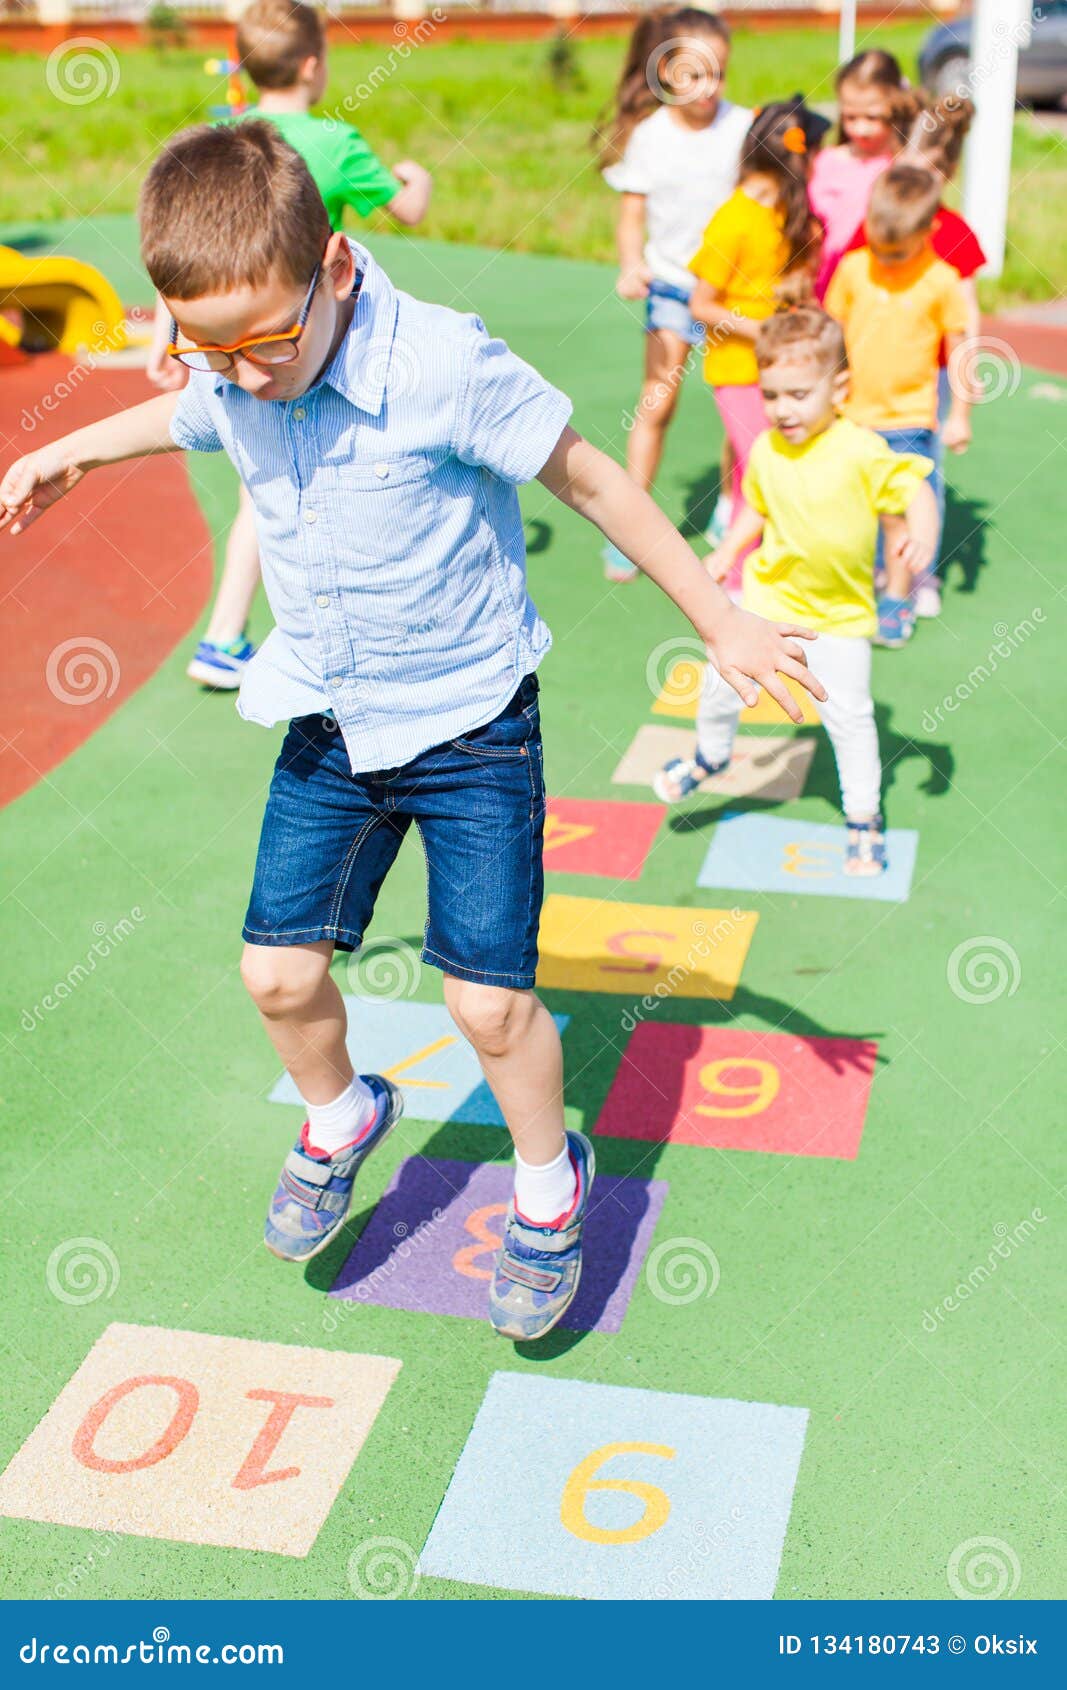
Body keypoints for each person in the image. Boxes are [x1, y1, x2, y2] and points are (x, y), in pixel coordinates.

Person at [1, 122, 825, 1342]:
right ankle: (341, 1116)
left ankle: (549, 1189)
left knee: (487, 1007)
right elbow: (180, 419)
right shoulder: (236, 368)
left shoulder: (443, 366)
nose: (240, 373)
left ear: (333, 267)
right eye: (205, 347)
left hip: (470, 724)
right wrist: (66, 449)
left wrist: (716, 616)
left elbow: (589, 478)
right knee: (275, 974)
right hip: (334, 718)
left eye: (262, 341)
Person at [147, 0, 431, 689]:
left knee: (270, 486)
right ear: (313, 64)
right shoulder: (335, 144)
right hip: (296, 346)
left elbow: (190, 251)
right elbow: (411, 210)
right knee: (277, 490)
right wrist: (414, 172)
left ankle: (249, 633)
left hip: (225, 344)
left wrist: (169, 336)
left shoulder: (221, 138)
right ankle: (227, 637)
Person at [654, 307, 937, 875]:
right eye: (773, 395)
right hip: (767, 603)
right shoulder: (765, 450)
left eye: (799, 395)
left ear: (841, 388)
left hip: (838, 616)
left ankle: (863, 819)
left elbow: (914, 488)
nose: (783, 409)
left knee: (850, 718)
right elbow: (755, 507)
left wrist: (924, 534)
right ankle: (710, 756)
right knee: (718, 684)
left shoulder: (860, 449)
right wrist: (730, 550)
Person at [596, 6, 750, 579]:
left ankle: (733, 511)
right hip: (670, 287)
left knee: (737, 404)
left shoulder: (743, 127)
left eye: (719, 74)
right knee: (659, 400)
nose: (709, 88)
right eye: (696, 75)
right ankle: (632, 527)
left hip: (733, 291)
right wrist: (631, 263)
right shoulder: (651, 137)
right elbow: (631, 213)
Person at [844, 93, 984, 619]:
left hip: (928, 376)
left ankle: (917, 572)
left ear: (942, 176)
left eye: (922, 173)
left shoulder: (951, 237)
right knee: (865, 479)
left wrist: (964, 408)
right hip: (867, 378)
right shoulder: (880, 226)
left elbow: (966, 323)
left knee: (921, 478)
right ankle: (876, 565)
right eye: (903, 168)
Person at [687, 97, 829, 597]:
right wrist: (762, 328)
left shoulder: (791, 213)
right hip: (739, 368)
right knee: (759, 470)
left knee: (783, 465)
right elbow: (702, 304)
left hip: (783, 366)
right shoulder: (735, 218)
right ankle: (737, 578)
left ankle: (770, 569)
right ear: (796, 158)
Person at [826, 163, 971, 646]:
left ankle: (898, 598)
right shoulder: (853, 268)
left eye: (898, 251)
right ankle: (858, 587)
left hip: (910, 419)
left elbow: (961, 349)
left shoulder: (942, 280)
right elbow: (832, 334)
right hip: (852, 417)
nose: (886, 259)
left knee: (906, 513)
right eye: (878, 246)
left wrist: (961, 415)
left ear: (930, 230)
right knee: (853, 510)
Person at [809, 48, 916, 302]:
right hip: (828, 285)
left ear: (896, 107)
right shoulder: (827, 162)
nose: (861, 128)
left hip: (881, 287)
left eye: (873, 116)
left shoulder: (902, 166)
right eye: (850, 117)